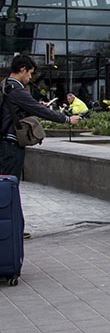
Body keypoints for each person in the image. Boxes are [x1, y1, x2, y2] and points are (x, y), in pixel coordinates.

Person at [2, 55, 81, 238]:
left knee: (7, 186)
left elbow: (20, 109)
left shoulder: (5, 85)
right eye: (30, 73)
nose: (30, 77)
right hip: (11, 146)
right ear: (22, 69)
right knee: (10, 188)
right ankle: (12, 230)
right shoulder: (17, 89)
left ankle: (13, 228)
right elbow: (40, 111)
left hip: (4, 143)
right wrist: (67, 119)